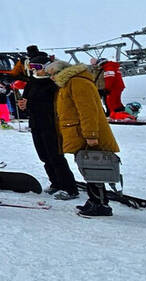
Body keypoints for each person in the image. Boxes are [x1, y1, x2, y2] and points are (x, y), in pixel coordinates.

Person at [49, 59, 121, 217]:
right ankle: (94, 200)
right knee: (88, 168)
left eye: (53, 74)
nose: (51, 78)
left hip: (84, 135)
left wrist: (91, 135)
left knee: (95, 168)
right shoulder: (70, 83)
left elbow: (88, 111)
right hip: (78, 134)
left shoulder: (77, 83)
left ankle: (100, 204)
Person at [17, 51, 79, 200]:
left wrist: (30, 103)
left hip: (51, 123)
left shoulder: (54, 82)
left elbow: (56, 104)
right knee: (44, 156)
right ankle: (56, 183)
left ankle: (69, 187)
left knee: (55, 156)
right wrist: (23, 105)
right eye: (32, 67)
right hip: (36, 123)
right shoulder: (33, 81)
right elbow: (27, 100)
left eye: (37, 67)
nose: (35, 70)